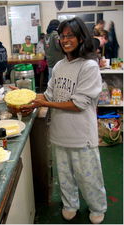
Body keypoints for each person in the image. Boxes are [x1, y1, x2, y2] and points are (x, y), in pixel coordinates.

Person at [20, 17, 107, 224]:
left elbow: (78, 104)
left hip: (81, 135)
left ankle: (97, 207)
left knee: (88, 177)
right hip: (60, 134)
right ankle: (70, 204)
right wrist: (24, 95)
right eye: (62, 36)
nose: (65, 40)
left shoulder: (89, 66)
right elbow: (50, 95)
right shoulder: (59, 66)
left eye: (70, 35)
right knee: (65, 177)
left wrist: (44, 104)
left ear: (81, 38)